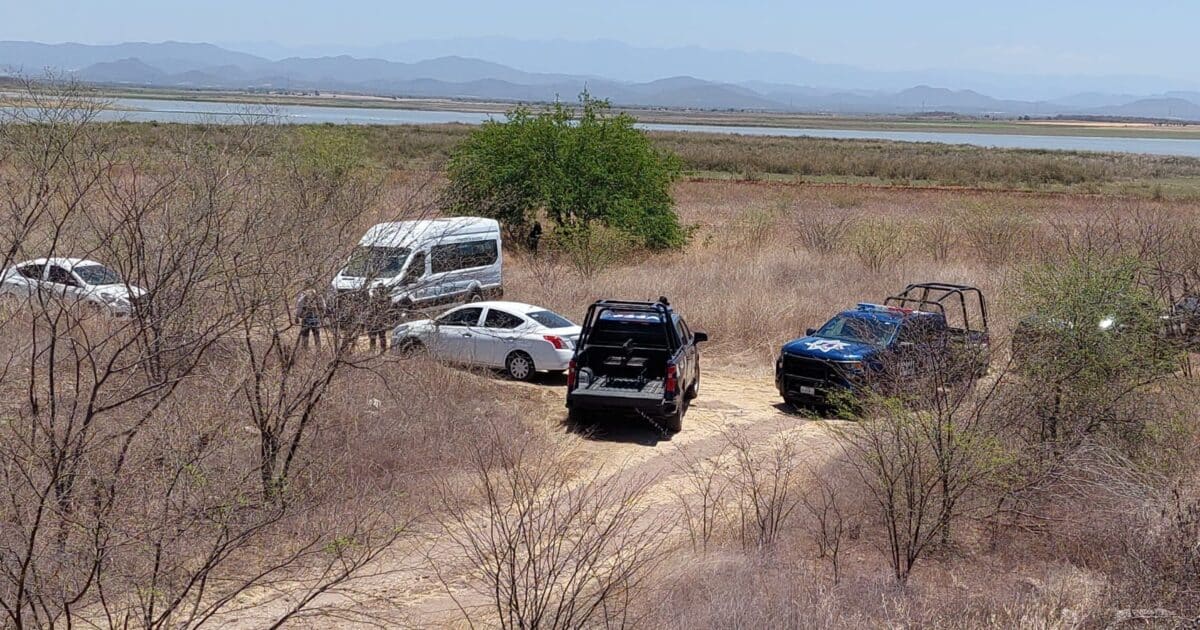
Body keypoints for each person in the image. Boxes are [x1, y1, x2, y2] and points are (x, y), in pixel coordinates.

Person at [366, 287, 395, 353]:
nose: (374, 294)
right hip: (375, 322)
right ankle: (374, 351)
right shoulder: (377, 301)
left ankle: (380, 351)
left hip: (377, 321)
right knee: (376, 337)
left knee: (380, 337)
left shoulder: (382, 301)